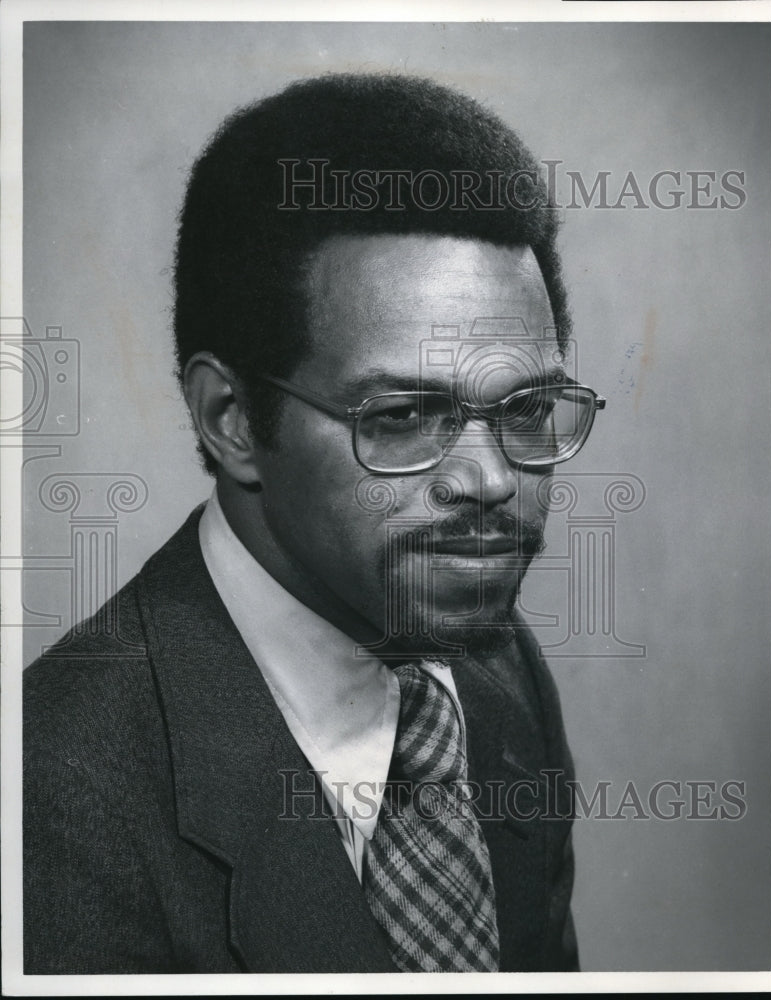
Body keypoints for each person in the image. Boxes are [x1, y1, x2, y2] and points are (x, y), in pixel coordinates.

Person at [24, 73, 604, 974]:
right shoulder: (50, 800)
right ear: (232, 420)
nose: (490, 479)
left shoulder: (497, 672)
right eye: (404, 417)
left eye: (527, 409)